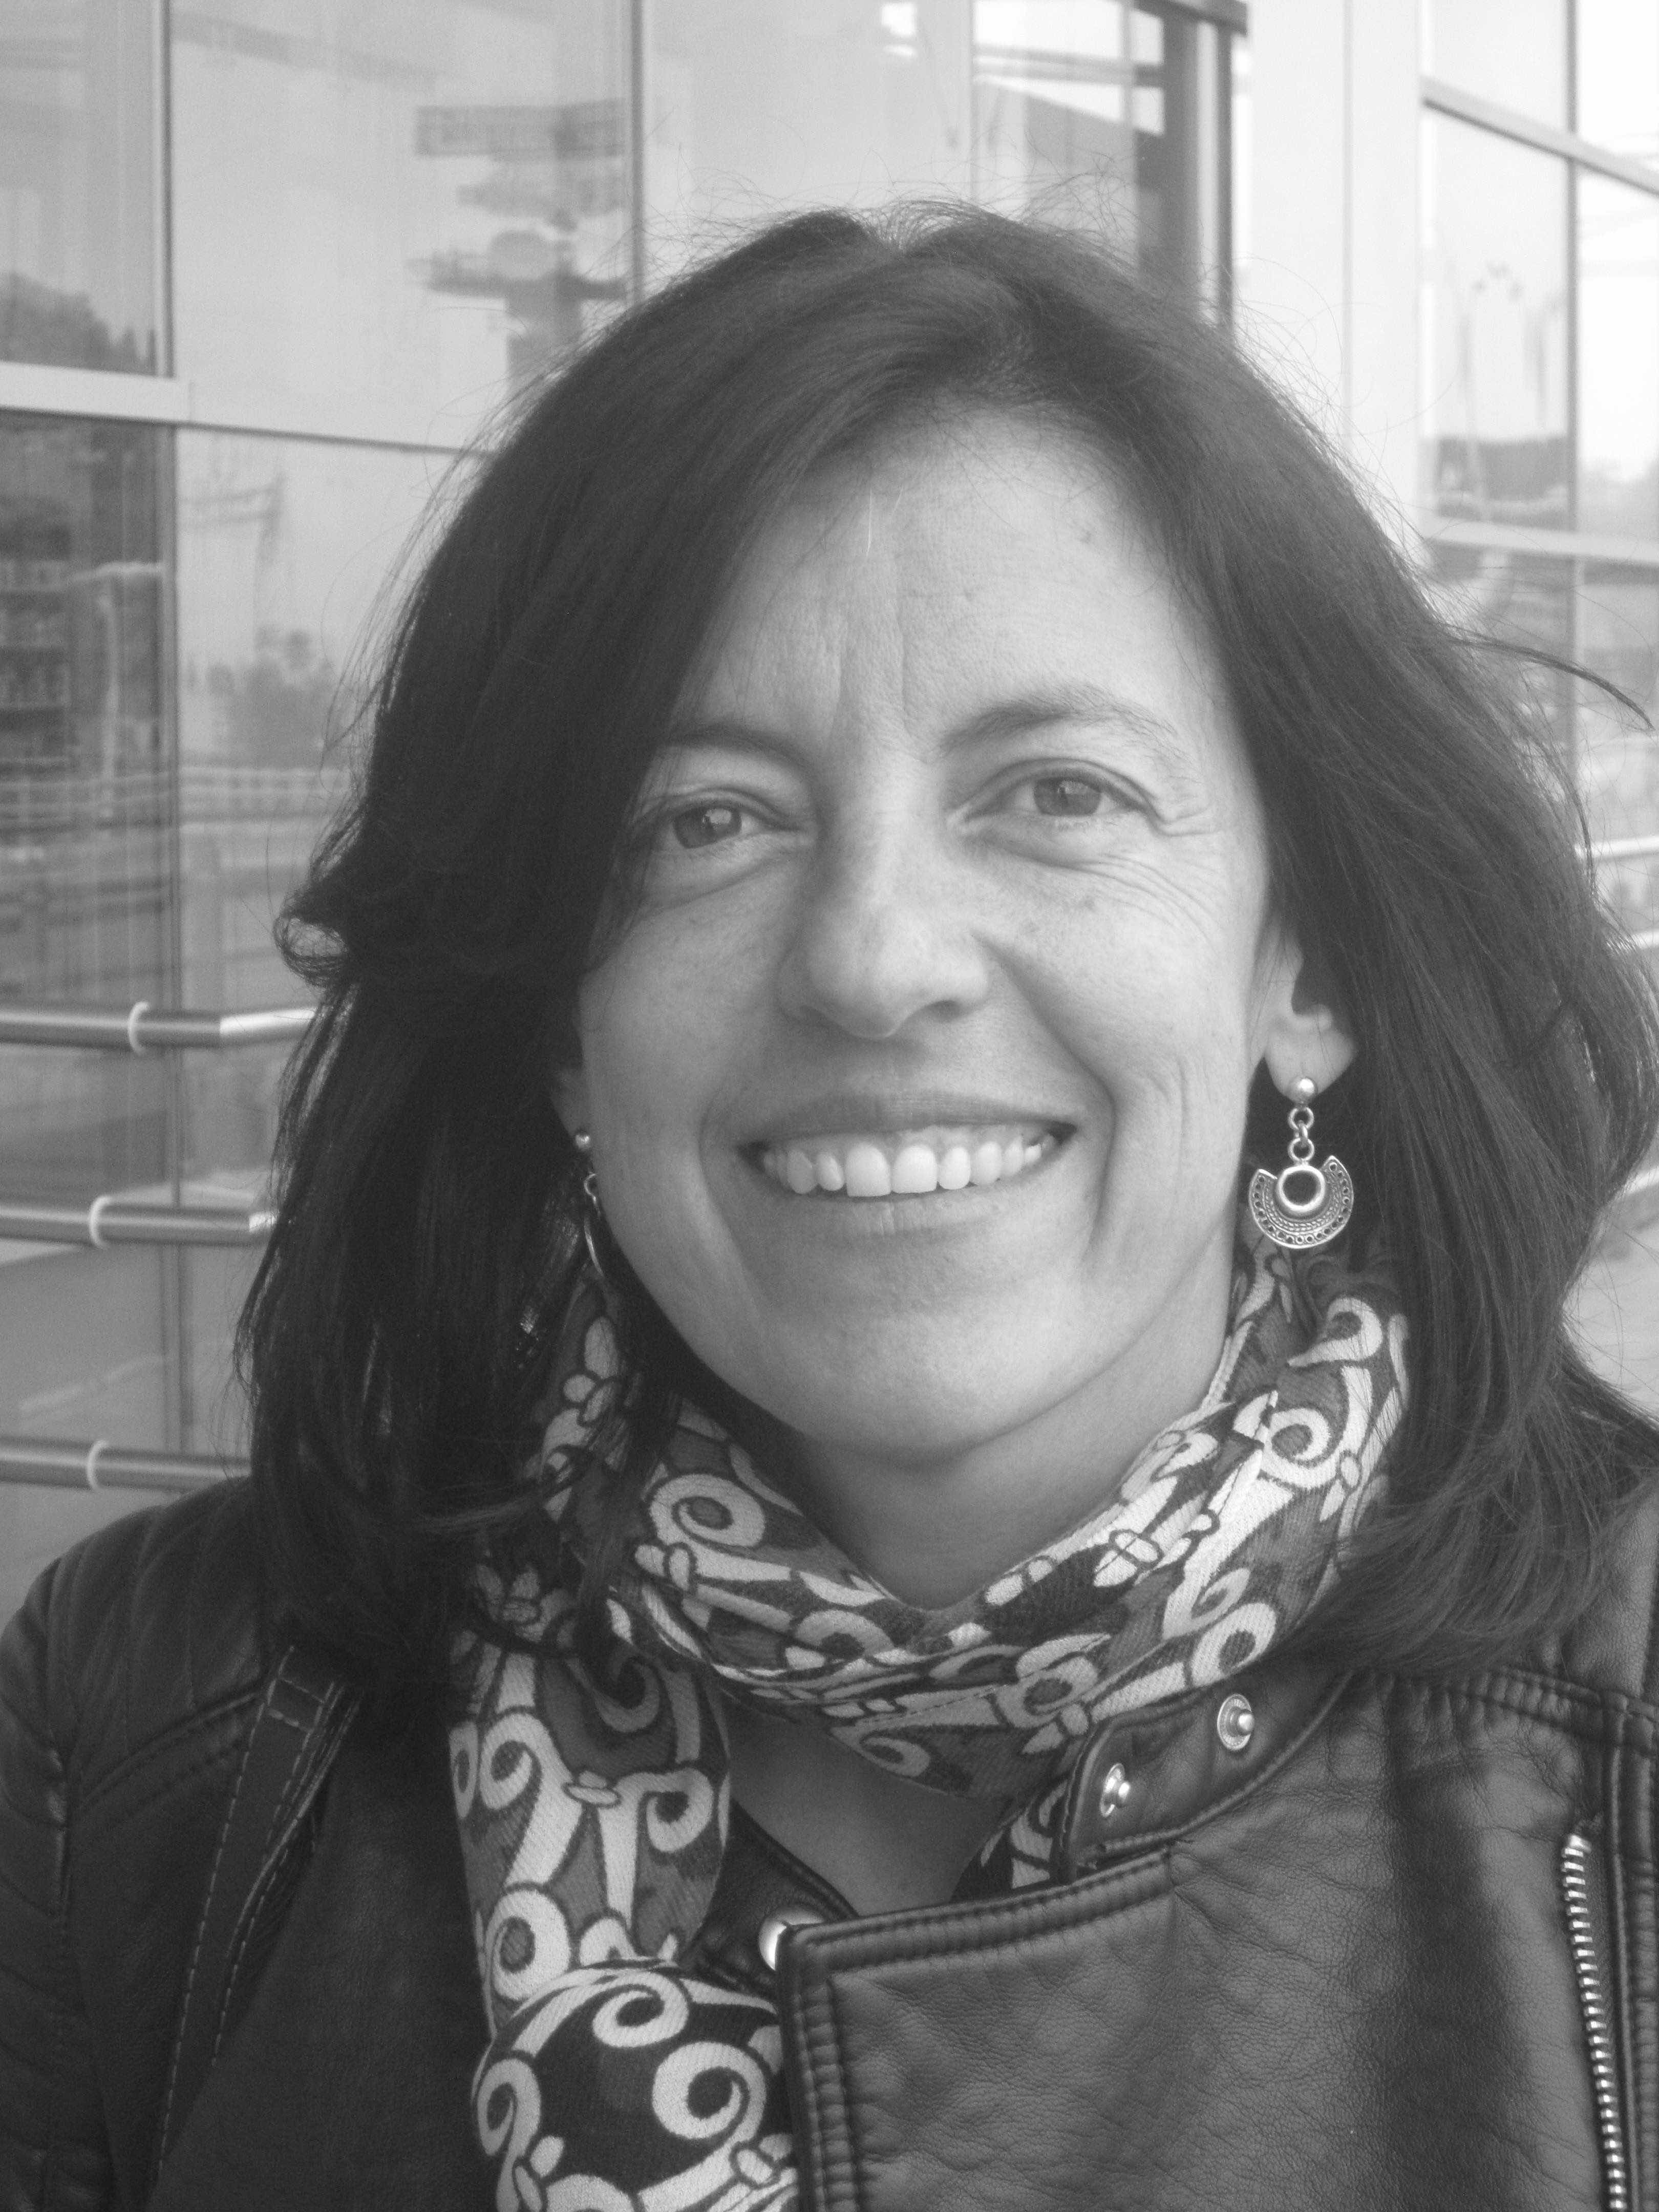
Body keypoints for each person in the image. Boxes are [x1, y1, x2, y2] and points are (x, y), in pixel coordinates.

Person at [4, 206, 1659, 2212]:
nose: (873, 960)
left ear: (1302, 966)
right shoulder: (143, 1736)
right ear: (557, 1024)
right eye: (707, 821)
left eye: (1056, 792)